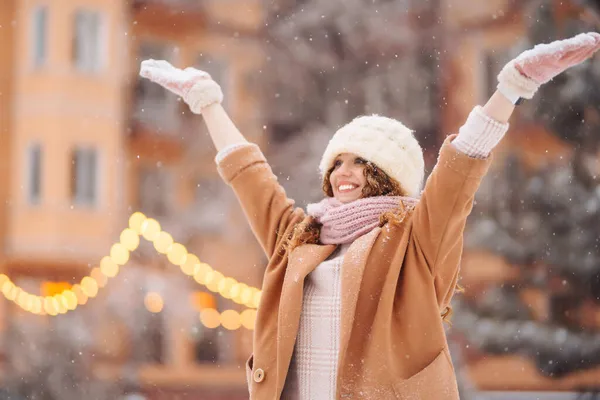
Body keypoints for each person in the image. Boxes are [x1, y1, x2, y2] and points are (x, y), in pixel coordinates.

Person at [140, 32, 600, 400]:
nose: (343, 173)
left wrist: (511, 89)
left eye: (360, 162)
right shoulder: (300, 236)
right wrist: (208, 103)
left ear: (386, 175)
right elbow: (249, 175)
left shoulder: (415, 239)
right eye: (337, 162)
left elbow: (459, 170)